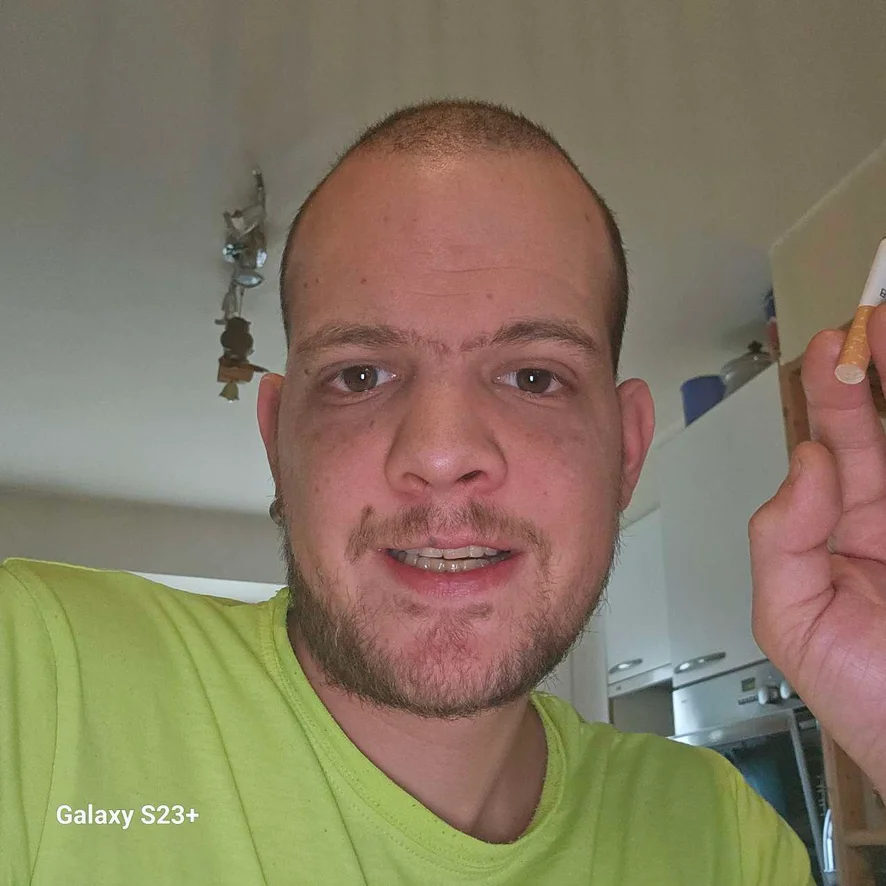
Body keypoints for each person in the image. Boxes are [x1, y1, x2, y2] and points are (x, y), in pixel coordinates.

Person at [2, 99, 883, 885]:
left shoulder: (720, 836)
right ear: (277, 441)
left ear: (626, 451)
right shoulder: (35, 681)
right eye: (359, 375)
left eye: (534, 377)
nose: (441, 454)